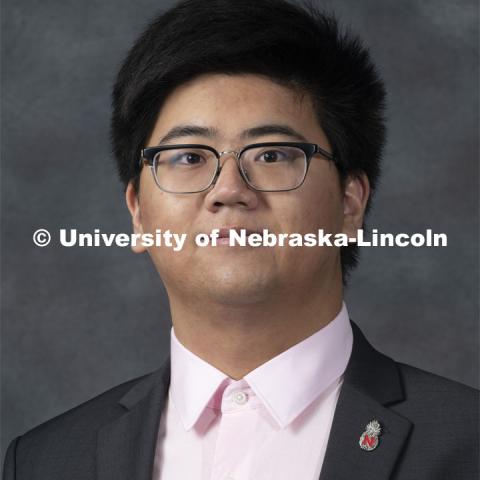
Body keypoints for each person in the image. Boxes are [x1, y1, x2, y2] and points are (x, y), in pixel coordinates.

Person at [3, 0, 478, 479]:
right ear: (139, 213)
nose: (229, 190)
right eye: (189, 158)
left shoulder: (466, 441)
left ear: (350, 201)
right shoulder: (44, 461)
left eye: (271, 154)